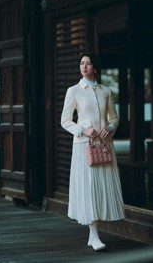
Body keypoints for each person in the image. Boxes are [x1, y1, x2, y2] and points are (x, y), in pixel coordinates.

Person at [61, 53, 125, 251]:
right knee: (89, 188)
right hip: (84, 146)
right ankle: (94, 234)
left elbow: (114, 118)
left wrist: (111, 128)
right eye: (81, 63)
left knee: (101, 186)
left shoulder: (106, 91)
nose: (84, 66)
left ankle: (93, 235)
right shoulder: (73, 91)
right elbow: (65, 121)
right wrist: (83, 130)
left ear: (95, 68)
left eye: (88, 63)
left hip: (104, 145)